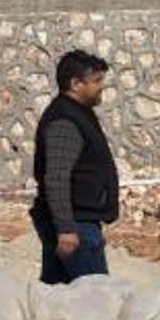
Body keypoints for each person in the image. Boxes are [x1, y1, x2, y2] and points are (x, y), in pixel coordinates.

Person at [29, 50, 118, 285]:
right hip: (75, 226)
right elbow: (56, 178)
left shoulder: (78, 113)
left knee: (57, 295)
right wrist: (66, 228)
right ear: (75, 84)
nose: (102, 86)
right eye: (96, 81)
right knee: (95, 297)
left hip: (76, 222)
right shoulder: (65, 121)